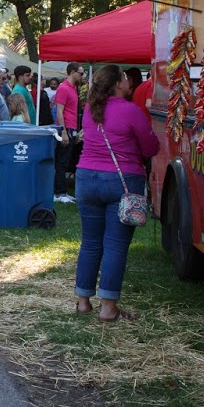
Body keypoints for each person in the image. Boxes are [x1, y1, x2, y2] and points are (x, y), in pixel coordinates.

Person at [75, 63, 160, 322]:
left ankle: (82, 301)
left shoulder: (90, 110)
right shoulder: (130, 111)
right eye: (125, 77)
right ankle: (108, 307)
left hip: (86, 177)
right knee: (115, 244)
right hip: (121, 180)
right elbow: (151, 148)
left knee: (90, 242)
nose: (129, 81)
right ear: (118, 83)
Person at [53, 63, 84, 203]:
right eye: (80, 73)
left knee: (66, 160)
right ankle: (59, 193)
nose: (82, 76)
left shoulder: (73, 88)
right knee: (62, 161)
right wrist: (64, 131)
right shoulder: (64, 88)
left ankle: (62, 191)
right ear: (72, 72)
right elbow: (59, 111)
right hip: (65, 128)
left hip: (71, 128)